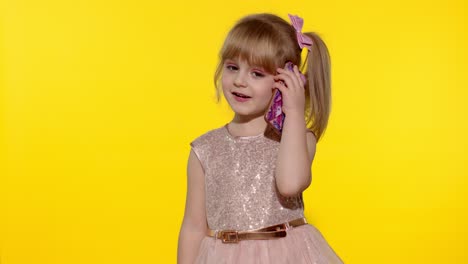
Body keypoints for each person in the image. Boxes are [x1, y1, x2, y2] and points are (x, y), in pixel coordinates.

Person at [178, 13, 344, 264]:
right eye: (232, 67)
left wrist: (295, 111)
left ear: (285, 79)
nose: (240, 81)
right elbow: (193, 227)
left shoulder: (297, 139)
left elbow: (290, 184)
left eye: (257, 73)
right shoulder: (204, 149)